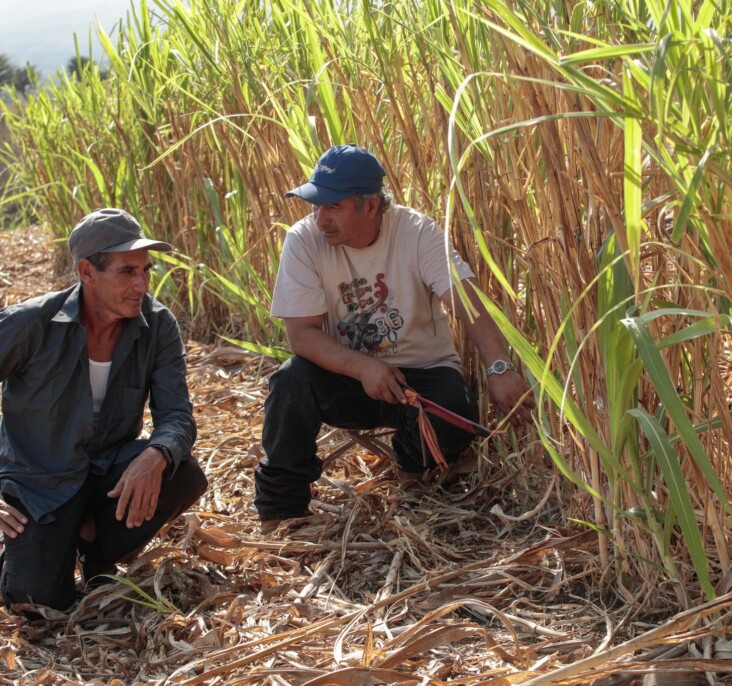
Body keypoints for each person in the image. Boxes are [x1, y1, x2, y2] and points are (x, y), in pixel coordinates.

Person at [254, 144, 535, 532]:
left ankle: (414, 467)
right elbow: (302, 336)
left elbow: (467, 303)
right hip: (349, 379)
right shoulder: (303, 241)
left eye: (332, 207)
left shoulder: (417, 232)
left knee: (455, 415)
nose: (320, 219)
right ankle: (281, 510)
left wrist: (499, 368)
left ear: (370, 206)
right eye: (315, 206)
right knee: (290, 382)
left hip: (423, 375)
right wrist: (364, 366)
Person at [0, 208, 208, 614]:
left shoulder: (158, 325)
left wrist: (156, 454)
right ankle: (38, 551)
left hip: (106, 470)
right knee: (38, 604)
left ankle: (93, 544)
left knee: (182, 474)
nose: (141, 284)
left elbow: (178, 416)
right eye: (126, 271)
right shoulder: (31, 324)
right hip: (38, 483)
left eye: (145, 270)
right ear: (86, 272)